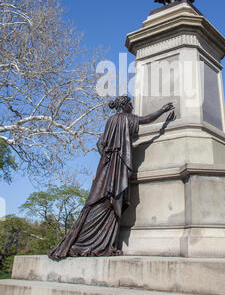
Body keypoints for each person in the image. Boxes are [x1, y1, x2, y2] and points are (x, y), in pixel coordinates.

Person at [48, 96, 174, 260]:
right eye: (131, 104)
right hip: (118, 168)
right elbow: (146, 119)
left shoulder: (111, 121)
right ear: (126, 106)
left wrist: (106, 160)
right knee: (112, 201)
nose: (132, 107)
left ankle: (83, 241)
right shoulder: (128, 119)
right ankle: (92, 243)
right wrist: (163, 111)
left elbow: (100, 144)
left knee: (99, 203)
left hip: (106, 167)